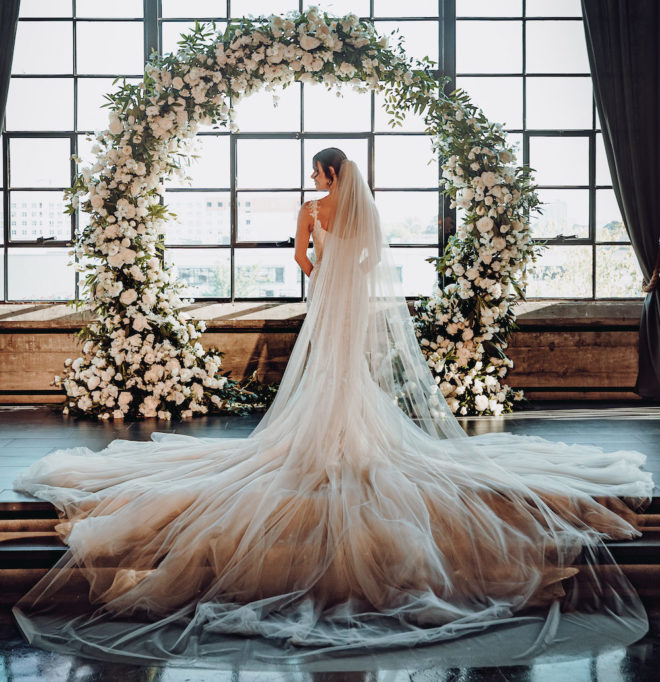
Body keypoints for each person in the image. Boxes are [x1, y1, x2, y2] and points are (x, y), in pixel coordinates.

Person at [11, 149, 654, 672]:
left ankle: (322, 444)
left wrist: (322, 264)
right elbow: (373, 260)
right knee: (354, 380)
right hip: (356, 311)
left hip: (328, 306)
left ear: (322, 175)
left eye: (317, 172)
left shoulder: (312, 208)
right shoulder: (363, 211)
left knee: (322, 379)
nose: (317, 181)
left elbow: (302, 262)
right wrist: (346, 266)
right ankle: (357, 444)